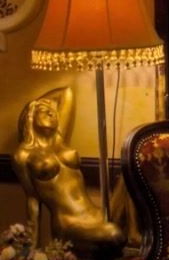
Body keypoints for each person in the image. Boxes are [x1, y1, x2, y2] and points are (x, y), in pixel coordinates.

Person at [12, 87, 124, 251]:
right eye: (44, 110)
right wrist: (32, 248)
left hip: (97, 214)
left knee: (132, 175)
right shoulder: (23, 154)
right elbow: (32, 199)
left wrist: (40, 105)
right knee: (114, 234)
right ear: (30, 117)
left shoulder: (59, 140)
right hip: (70, 222)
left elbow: (67, 92)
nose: (51, 113)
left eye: (53, 111)